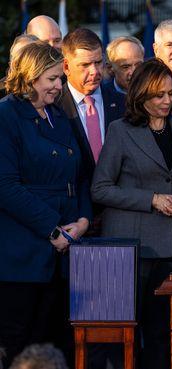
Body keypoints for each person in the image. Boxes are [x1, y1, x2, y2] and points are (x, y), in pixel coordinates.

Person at [91, 58, 172, 369]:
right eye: (158, 95)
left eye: (170, 93)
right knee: (125, 334)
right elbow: (101, 188)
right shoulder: (120, 131)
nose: (167, 101)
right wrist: (152, 199)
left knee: (163, 331)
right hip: (129, 248)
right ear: (141, 96)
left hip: (170, 246)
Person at [0, 42, 91, 367]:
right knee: (19, 347)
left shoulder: (58, 116)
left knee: (57, 347)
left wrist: (82, 221)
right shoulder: (7, 114)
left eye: (59, 78)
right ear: (31, 76)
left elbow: (79, 176)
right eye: (52, 78)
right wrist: (51, 228)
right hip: (22, 257)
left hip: (64, 256)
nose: (58, 85)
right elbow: (5, 186)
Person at [57, 28, 125, 187]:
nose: (94, 71)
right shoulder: (53, 107)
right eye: (85, 65)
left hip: (118, 203)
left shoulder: (124, 103)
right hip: (75, 207)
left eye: (98, 62)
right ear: (66, 67)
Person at [0, 34, 39, 98]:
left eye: (29, 56)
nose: (24, 62)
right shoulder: (2, 93)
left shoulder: (53, 89)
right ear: (11, 62)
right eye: (19, 57)